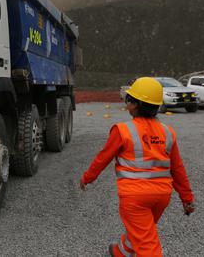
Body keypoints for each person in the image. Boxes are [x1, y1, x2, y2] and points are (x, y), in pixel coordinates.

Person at [79, 77, 195, 257]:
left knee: (148, 245)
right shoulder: (167, 132)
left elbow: (102, 158)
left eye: (129, 99)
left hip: (135, 198)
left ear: (134, 105)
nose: (127, 103)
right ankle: (119, 252)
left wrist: (87, 178)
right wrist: (187, 199)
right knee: (142, 232)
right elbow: (177, 168)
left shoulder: (122, 130)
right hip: (161, 197)